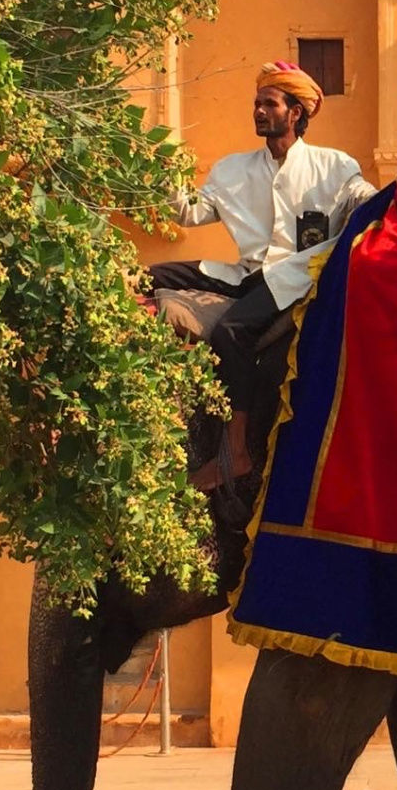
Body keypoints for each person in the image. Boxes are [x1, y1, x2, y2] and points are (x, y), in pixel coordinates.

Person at [152, 60, 375, 479]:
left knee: (230, 331)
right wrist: (161, 171)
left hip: (297, 276)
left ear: (296, 113)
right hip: (247, 275)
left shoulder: (334, 167)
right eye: (256, 103)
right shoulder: (232, 170)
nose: (258, 111)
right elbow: (187, 212)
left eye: (269, 103)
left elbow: (365, 200)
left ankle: (235, 452)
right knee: (149, 275)